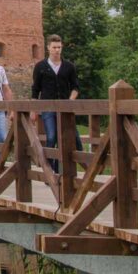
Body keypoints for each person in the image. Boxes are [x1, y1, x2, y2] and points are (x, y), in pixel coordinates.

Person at [31, 35, 83, 172]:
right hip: (48, 107)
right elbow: (35, 90)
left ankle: (83, 168)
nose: (57, 50)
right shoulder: (40, 67)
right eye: (54, 47)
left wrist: (70, 101)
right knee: (51, 137)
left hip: (65, 108)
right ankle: (50, 171)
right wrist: (33, 110)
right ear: (48, 48)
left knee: (74, 137)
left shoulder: (68, 66)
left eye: (59, 47)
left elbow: (76, 87)